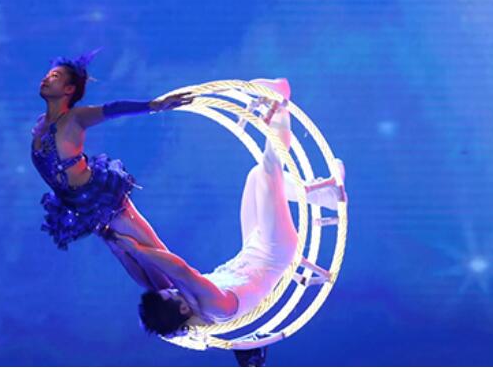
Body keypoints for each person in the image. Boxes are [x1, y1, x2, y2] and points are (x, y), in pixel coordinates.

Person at [108, 78, 346, 345]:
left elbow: (152, 278)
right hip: (275, 251)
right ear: (183, 309)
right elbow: (180, 270)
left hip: (253, 248)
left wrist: (120, 248)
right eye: (171, 294)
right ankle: (281, 103)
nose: (171, 288)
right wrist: (136, 249)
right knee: (269, 170)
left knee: (256, 177)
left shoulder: (187, 303)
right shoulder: (216, 308)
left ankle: (321, 194)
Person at [31, 48, 192, 289]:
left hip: (100, 197)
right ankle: (166, 302)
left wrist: (153, 105)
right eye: (47, 74)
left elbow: (113, 108)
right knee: (127, 255)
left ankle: (185, 298)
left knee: (150, 250)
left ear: (69, 89)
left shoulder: (75, 117)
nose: (46, 78)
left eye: (55, 76)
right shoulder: (41, 125)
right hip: (80, 206)